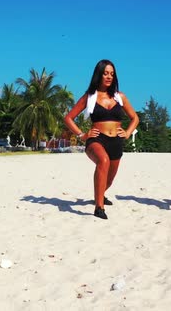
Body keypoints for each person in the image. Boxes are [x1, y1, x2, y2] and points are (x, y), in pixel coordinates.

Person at [64, 59, 139, 220]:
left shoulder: (120, 97)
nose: (109, 77)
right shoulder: (89, 97)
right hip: (96, 140)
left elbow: (135, 118)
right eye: (105, 73)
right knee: (103, 161)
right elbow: (69, 118)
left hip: (116, 142)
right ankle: (99, 207)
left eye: (112, 74)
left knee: (109, 180)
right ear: (99, 75)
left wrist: (127, 132)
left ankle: (100, 195)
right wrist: (82, 135)